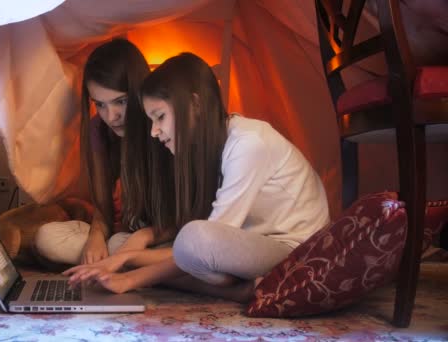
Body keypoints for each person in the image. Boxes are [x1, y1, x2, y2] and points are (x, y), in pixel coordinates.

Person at [64, 52, 330, 301]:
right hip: (245, 244)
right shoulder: (207, 146)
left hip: (295, 249)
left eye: (160, 118)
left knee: (193, 240)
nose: (154, 132)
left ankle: (230, 287)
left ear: (194, 105)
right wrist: (127, 253)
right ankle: (237, 290)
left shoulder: (248, 143)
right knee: (122, 242)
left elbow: (203, 241)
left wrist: (128, 271)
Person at [34, 38, 170, 267]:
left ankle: (131, 262)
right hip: (122, 235)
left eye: (121, 101)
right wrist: (95, 237)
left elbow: (186, 218)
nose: (111, 116)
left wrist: (143, 237)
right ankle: (125, 262)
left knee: (121, 244)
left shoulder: (163, 127)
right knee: (46, 237)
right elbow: (103, 210)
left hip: (164, 235)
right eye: (101, 104)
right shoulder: (98, 129)